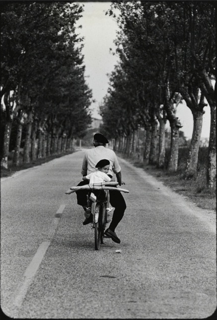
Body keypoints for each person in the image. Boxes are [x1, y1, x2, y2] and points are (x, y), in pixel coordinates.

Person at [76, 132, 127, 244]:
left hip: (91, 182)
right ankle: (111, 229)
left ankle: (88, 211)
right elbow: (118, 170)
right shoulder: (111, 153)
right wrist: (117, 183)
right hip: (107, 183)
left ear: (94, 142)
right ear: (105, 144)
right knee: (121, 206)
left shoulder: (88, 153)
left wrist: (87, 176)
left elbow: (84, 171)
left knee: (79, 191)